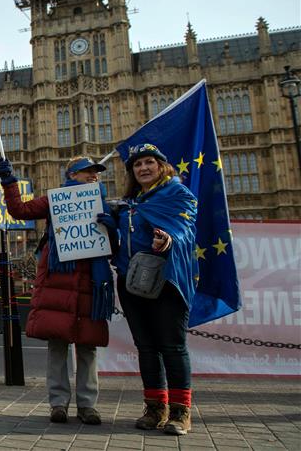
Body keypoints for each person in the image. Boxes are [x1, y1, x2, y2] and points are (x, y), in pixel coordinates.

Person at [0, 156, 116, 425]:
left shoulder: (104, 204)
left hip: (90, 284)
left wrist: (113, 230)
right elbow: (19, 210)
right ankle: (58, 403)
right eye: (87, 172)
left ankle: (87, 405)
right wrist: (9, 181)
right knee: (57, 345)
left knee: (88, 347)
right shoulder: (56, 200)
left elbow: (116, 245)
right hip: (58, 282)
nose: (93, 176)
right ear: (72, 175)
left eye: (95, 172)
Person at [110, 143, 197, 436]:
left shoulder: (177, 194)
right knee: (146, 348)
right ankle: (155, 407)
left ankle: (181, 411)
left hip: (166, 279)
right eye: (137, 164)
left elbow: (184, 229)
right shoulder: (130, 203)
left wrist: (168, 240)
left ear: (161, 166)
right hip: (131, 281)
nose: (143, 168)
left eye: (149, 162)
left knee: (172, 347)